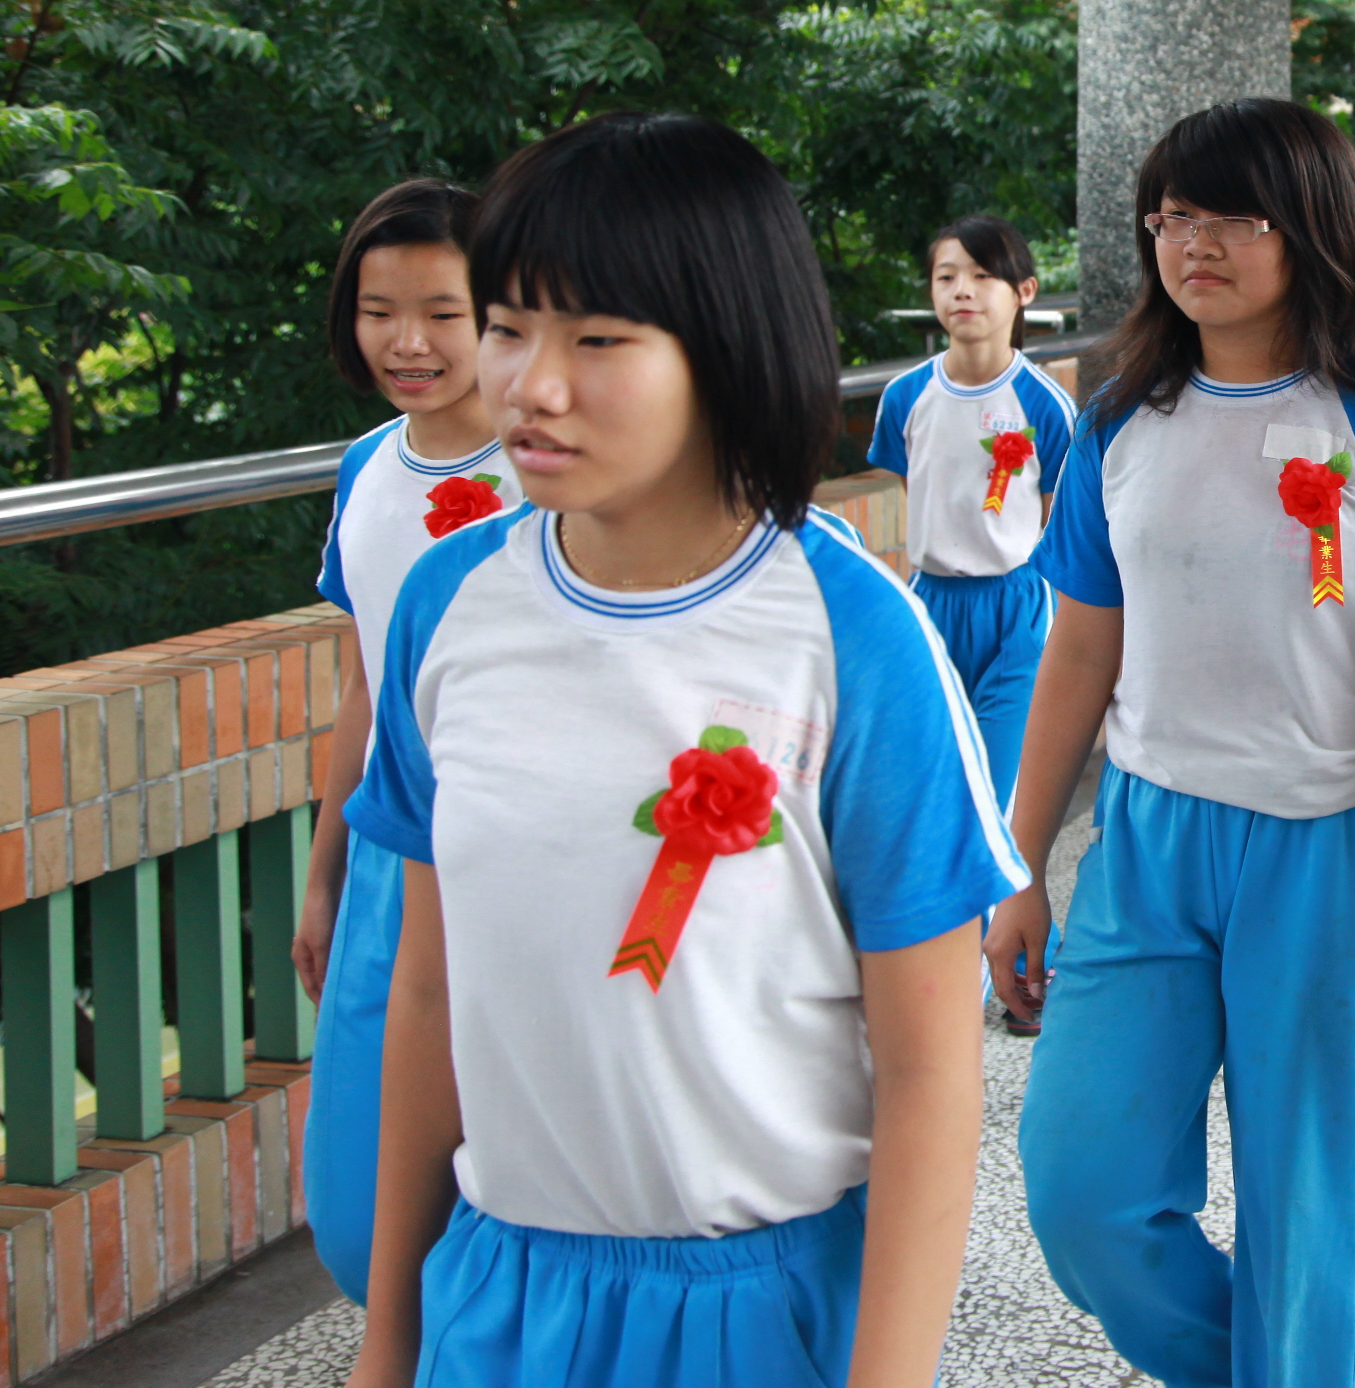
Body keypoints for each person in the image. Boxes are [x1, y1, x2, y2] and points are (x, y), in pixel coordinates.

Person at [342, 114, 1022, 1388]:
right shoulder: (448, 603)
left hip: (758, 1312)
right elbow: (428, 992)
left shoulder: (853, 635)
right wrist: (388, 1341)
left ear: (725, 345)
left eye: (596, 338)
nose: (530, 384)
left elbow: (931, 1068)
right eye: (507, 327)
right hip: (500, 1297)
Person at [991, 98, 1355, 1388]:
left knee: (1307, 1223)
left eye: (1232, 217)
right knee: (1084, 1190)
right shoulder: (1118, 415)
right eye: (1171, 216)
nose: (1193, 243)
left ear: (1309, 226)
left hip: (1334, 850)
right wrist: (1017, 861)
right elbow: (1079, 652)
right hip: (1149, 842)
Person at [299, 179, 499, 1309]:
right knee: (358, 1207)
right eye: (380, 311)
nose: (408, 342)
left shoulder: (549, 472)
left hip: (511, 858)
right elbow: (363, 686)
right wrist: (324, 873)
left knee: (508, 1173)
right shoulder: (367, 469)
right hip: (388, 855)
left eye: (441, 311)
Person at [864, 213, 1078, 816]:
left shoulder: (1046, 405)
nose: (962, 290)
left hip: (1018, 610)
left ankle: (1012, 885)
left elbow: (1057, 527)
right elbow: (919, 492)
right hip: (932, 603)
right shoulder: (904, 397)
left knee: (994, 796)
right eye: (947, 276)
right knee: (929, 787)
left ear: (1024, 291)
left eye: (983, 275)